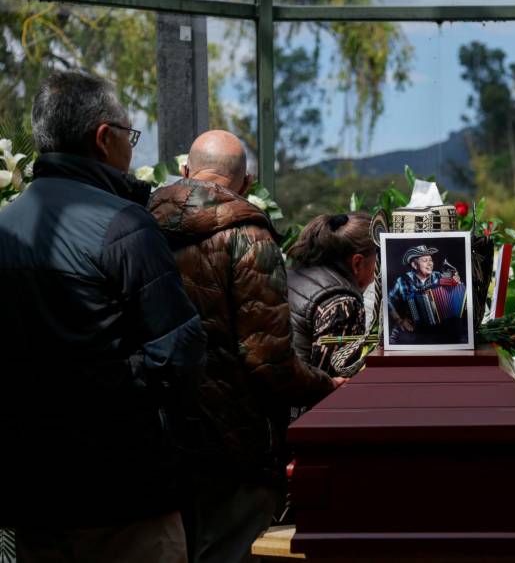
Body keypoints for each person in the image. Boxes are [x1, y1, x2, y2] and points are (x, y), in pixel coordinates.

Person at [0, 71, 206, 562]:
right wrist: (107, 382)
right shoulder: (124, 226)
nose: (132, 150)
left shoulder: (5, 227)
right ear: (103, 138)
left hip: (33, 495)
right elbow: (179, 353)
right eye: (130, 137)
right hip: (124, 493)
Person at [149, 130, 342, 563]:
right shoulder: (250, 238)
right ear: (248, 183)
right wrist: (327, 385)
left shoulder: (138, 228)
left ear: (184, 172)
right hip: (233, 440)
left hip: (160, 433)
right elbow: (268, 360)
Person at [287, 212, 377, 378]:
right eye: (378, 261)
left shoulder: (288, 277)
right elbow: (336, 382)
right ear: (357, 263)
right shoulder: (343, 305)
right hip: (302, 402)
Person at [387, 244, 466, 345]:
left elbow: (456, 284)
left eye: (431, 260)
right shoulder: (403, 280)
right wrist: (399, 320)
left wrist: (456, 280)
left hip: (438, 329)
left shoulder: (438, 275)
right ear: (415, 265)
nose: (430, 264)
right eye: (425, 261)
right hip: (413, 329)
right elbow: (387, 301)